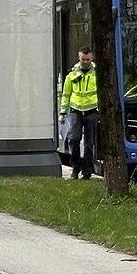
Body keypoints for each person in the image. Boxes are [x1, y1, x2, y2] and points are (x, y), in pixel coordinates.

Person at [59, 47, 98, 180]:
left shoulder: (97, 74)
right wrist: (63, 112)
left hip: (92, 111)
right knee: (73, 139)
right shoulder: (72, 74)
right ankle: (75, 167)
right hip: (75, 110)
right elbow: (66, 94)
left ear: (92, 58)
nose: (85, 62)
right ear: (79, 58)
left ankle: (87, 171)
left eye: (88, 59)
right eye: (83, 59)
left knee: (89, 142)